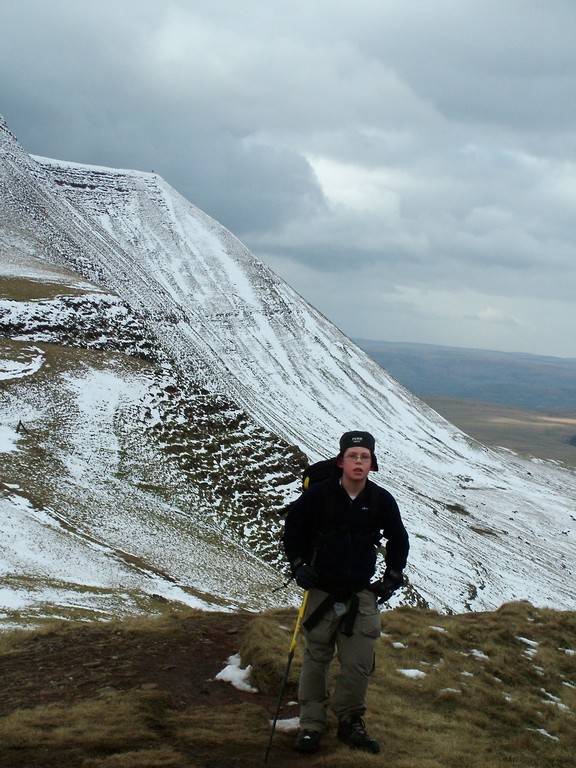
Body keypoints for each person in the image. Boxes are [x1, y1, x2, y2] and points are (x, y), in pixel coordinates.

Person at [283, 430, 409, 755]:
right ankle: (311, 724)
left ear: (372, 464)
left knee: (359, 664)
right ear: (340, 462)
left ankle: (350, 721)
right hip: (321, 592)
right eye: (352, 456)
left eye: (364, 457)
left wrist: (391, 578)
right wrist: (298, 566)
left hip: (360, 594)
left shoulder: (381, 501)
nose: (358, 462)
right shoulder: (318, 496)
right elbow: (292, 529)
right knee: (316, 659)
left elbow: (399, 540)